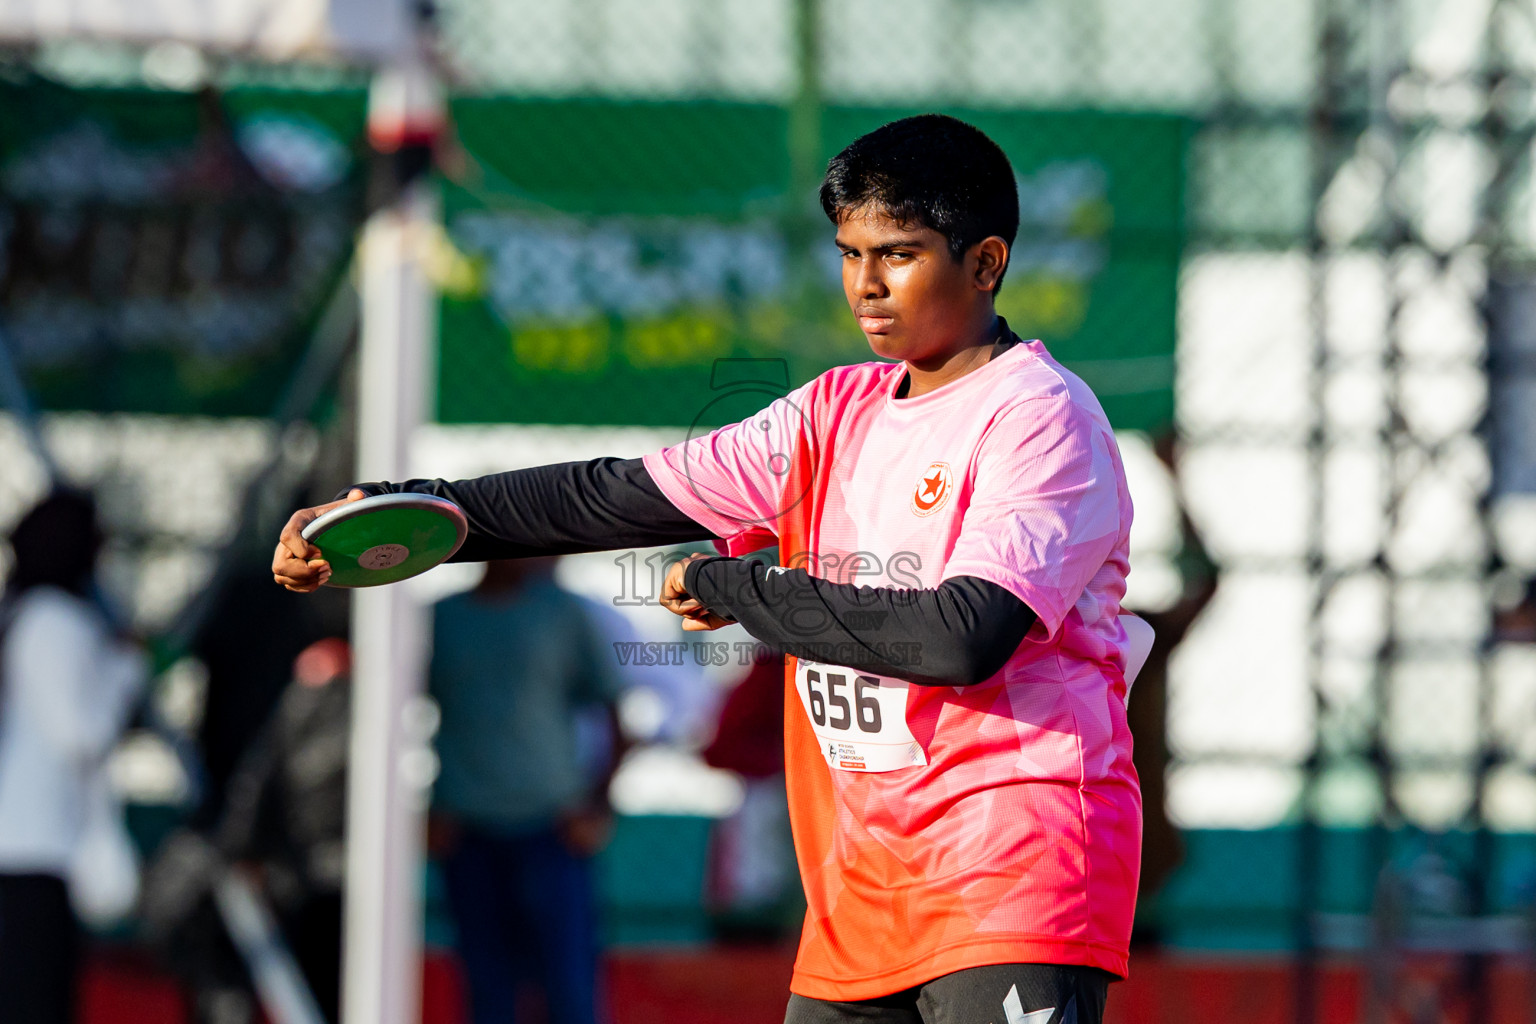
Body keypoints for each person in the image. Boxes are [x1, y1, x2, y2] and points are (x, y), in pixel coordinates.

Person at [275, 114, 1138, 1023]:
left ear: (987, 261)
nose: (866, 286)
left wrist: (746, 593)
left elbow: (965, 635)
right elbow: (617, 495)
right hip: (862, 893)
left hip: (1014, 866)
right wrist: (412, 506)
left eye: (900, 254)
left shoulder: (1042, 418)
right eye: (850, 254)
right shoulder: (831, 409)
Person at [427, 557, 626, 1024]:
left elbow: (617, 717)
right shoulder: (439, 617)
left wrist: (596, 807)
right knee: (487, 989)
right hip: (465, 831)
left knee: (568, 989)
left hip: (552, 829)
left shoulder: (564, 613)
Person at [0, 490, 147, 1024]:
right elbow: (81, 732)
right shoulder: (53, 620)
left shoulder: (23, 613)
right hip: (32, 850)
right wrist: (126, 667)